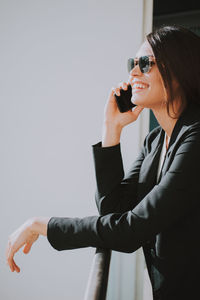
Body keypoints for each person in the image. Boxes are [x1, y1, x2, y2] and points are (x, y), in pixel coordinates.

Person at [6, 25, 200, 300]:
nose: (133, 72)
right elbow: (113, 209)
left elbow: (131, 229)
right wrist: (111, 129)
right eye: (132, 63)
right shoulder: (156, 141)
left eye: (144, 63)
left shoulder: (196, 138)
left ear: (179, 71)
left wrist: (43, 225)